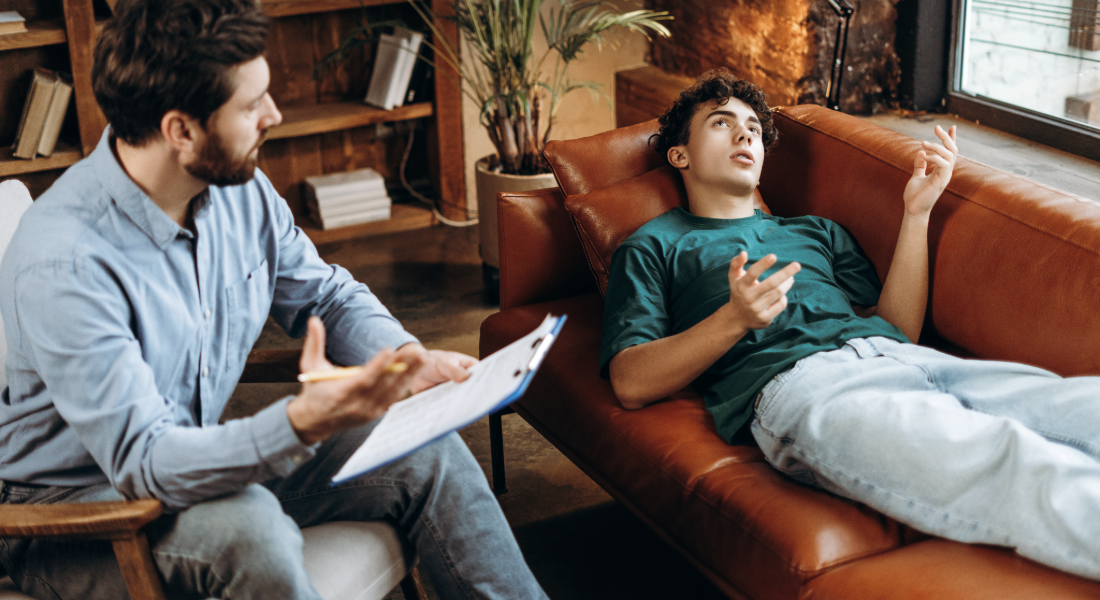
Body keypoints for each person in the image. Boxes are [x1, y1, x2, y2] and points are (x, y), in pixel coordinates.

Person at [0, 0, 548, 598]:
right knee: (250, 528)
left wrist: (405, 359)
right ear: (181, 130)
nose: (274, 114)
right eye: (251, 103)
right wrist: (297, 424)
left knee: (425, 446)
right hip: (75, 515)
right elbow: (146, 461)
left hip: (195, 458)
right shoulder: (67, 263)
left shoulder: (238, 190)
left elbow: (326, 296)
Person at [600, 68, 1100, 580]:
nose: (745, 133)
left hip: (907, 359)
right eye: (722, 123)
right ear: (679, 155)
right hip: (806, 390)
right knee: (1011, 461)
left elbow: (896, 328)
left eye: (752, 126)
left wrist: (917, 213)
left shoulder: (814, 231)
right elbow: (631, 382)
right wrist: (733, 320)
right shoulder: (654, 245)